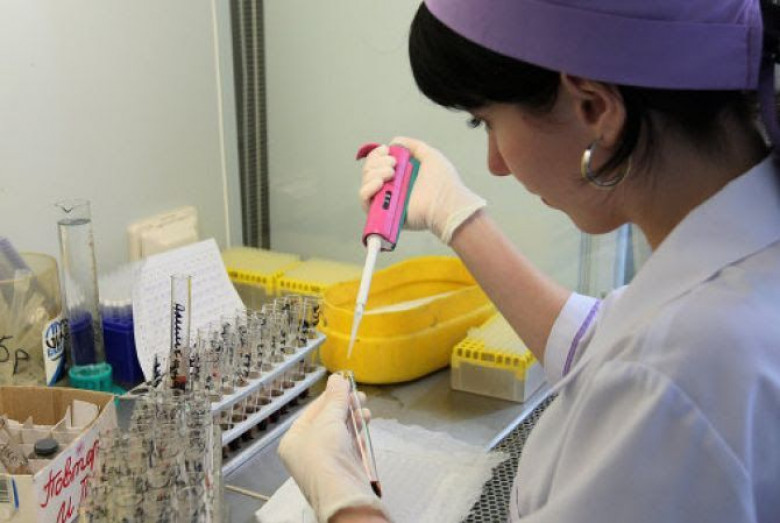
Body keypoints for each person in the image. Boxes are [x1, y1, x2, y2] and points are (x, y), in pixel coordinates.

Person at [278, 1, 780, 521]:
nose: (495, 164)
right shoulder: (743, 254)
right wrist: (455, 215)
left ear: (594, 108)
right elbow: (603, 346)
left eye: (485, 122)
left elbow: (643, 370)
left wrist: (340, 495)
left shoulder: (681, 374)